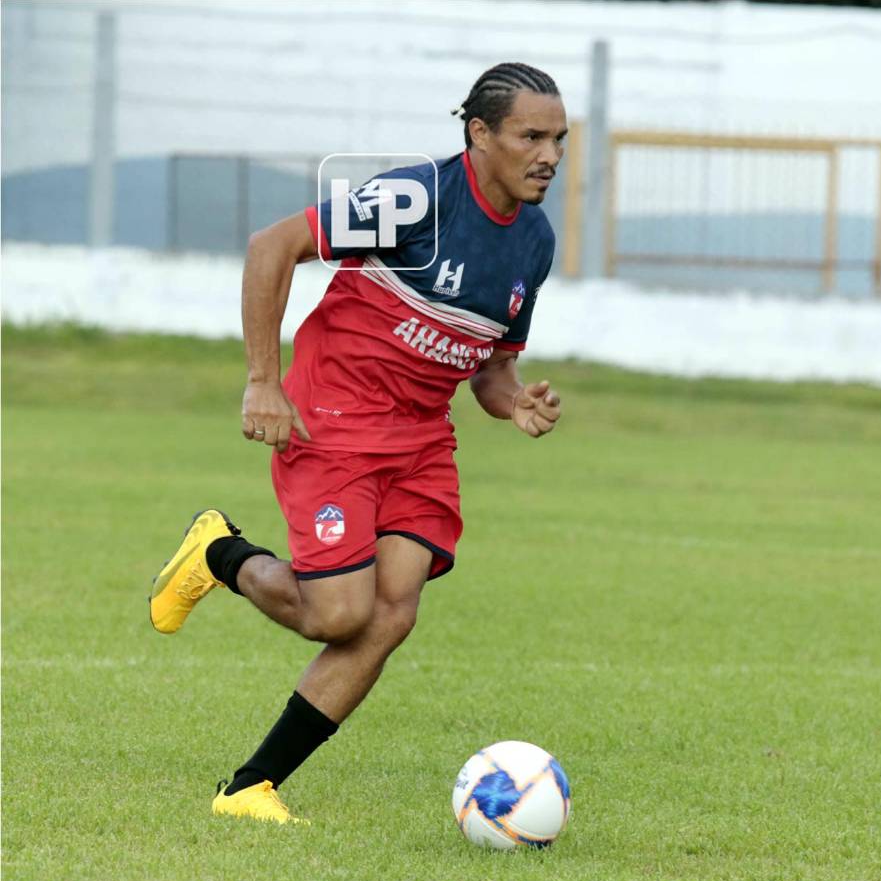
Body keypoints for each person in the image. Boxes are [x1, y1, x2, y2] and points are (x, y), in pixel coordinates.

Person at [149, 62, 567, 823]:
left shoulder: (532, 242)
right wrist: (261, 380)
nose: (548, 154)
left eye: (558, 139)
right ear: (479, 134)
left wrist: (515, 405)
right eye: (529, 136)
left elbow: (492, 372)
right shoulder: (415, 201)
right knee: (338, 615)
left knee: (389, 616)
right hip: (334, 418)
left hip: (420, 441)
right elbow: (272, 247)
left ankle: (250, 788)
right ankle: (219, 554)